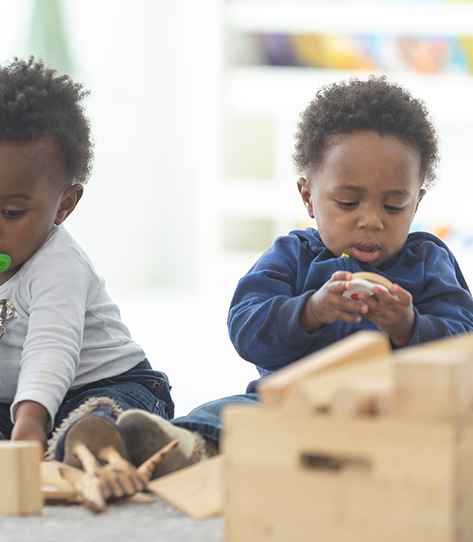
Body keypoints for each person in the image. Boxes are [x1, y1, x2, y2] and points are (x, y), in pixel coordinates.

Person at [122, 76, 473, 476]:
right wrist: (310, 311)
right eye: (348, 202)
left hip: (393, 412)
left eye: (394, 206)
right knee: (230, 412)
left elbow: (463, 346)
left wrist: (409, 326)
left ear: (416, 203)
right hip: (291, 405)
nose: (371, 220)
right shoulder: (293, 256)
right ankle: (188, 447)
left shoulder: (428, 260)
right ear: (308, 196)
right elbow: (247, 329)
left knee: (448, 434)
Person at [0, 57, 175, 482]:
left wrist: (31, 420)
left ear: (64, 204)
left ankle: (90, 442)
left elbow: (51, 349)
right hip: (10, 400)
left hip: (101, 383)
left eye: (11, 211)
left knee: (95, 416)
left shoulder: (58, 264)